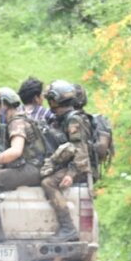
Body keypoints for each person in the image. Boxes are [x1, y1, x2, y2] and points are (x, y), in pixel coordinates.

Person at [0, 87, 50, 242]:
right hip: (34, 167)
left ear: (2, 107)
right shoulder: (23, 118)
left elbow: (16, 151)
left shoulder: (16, 122)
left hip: (32, 169)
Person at [38, 79, 93, 242]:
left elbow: (81, 150)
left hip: (78, 167)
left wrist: (71, 174)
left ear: (57, 100)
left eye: (51, 100)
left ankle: (68, 228)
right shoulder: (62, 118)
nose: (50, 104)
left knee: (48, 183)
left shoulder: (74, 120)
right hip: (70, 164)